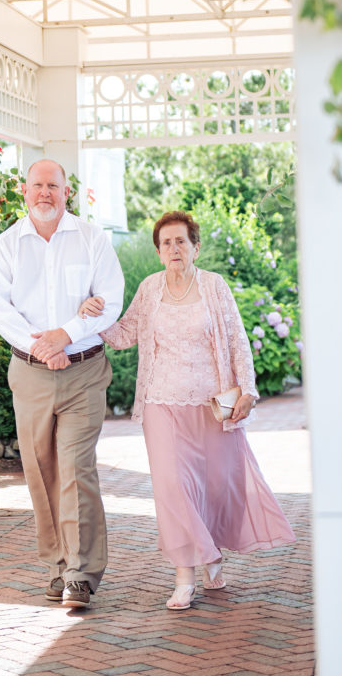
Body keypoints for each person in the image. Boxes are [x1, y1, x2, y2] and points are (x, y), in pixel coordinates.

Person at [78, 210, 295, 610]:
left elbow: (237, 339)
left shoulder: (214, 286)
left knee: (214, 485)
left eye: (181, 241)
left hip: (212, 405)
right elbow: (126, 333)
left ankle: (211, 552)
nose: (173, 249)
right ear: (159, 252)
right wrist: (94, 319)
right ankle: (185, 574)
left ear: (195, 247)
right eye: (166, 243)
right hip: (161, 402)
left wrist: (248, 389)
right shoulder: (149, 288)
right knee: (173, 486)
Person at [0, 159, 124, 608]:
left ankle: (81, 573)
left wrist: (67, 333)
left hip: (83, 370)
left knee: (76, 469)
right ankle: (58, 567)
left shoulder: (91, 238)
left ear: (67, 191)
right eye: (37, 185)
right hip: (31, 374)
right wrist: (45, 345)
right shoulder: (6, 247)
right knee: (41, 472)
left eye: (53, 186)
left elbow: (110, 300)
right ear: (24, 191)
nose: (45, 193)